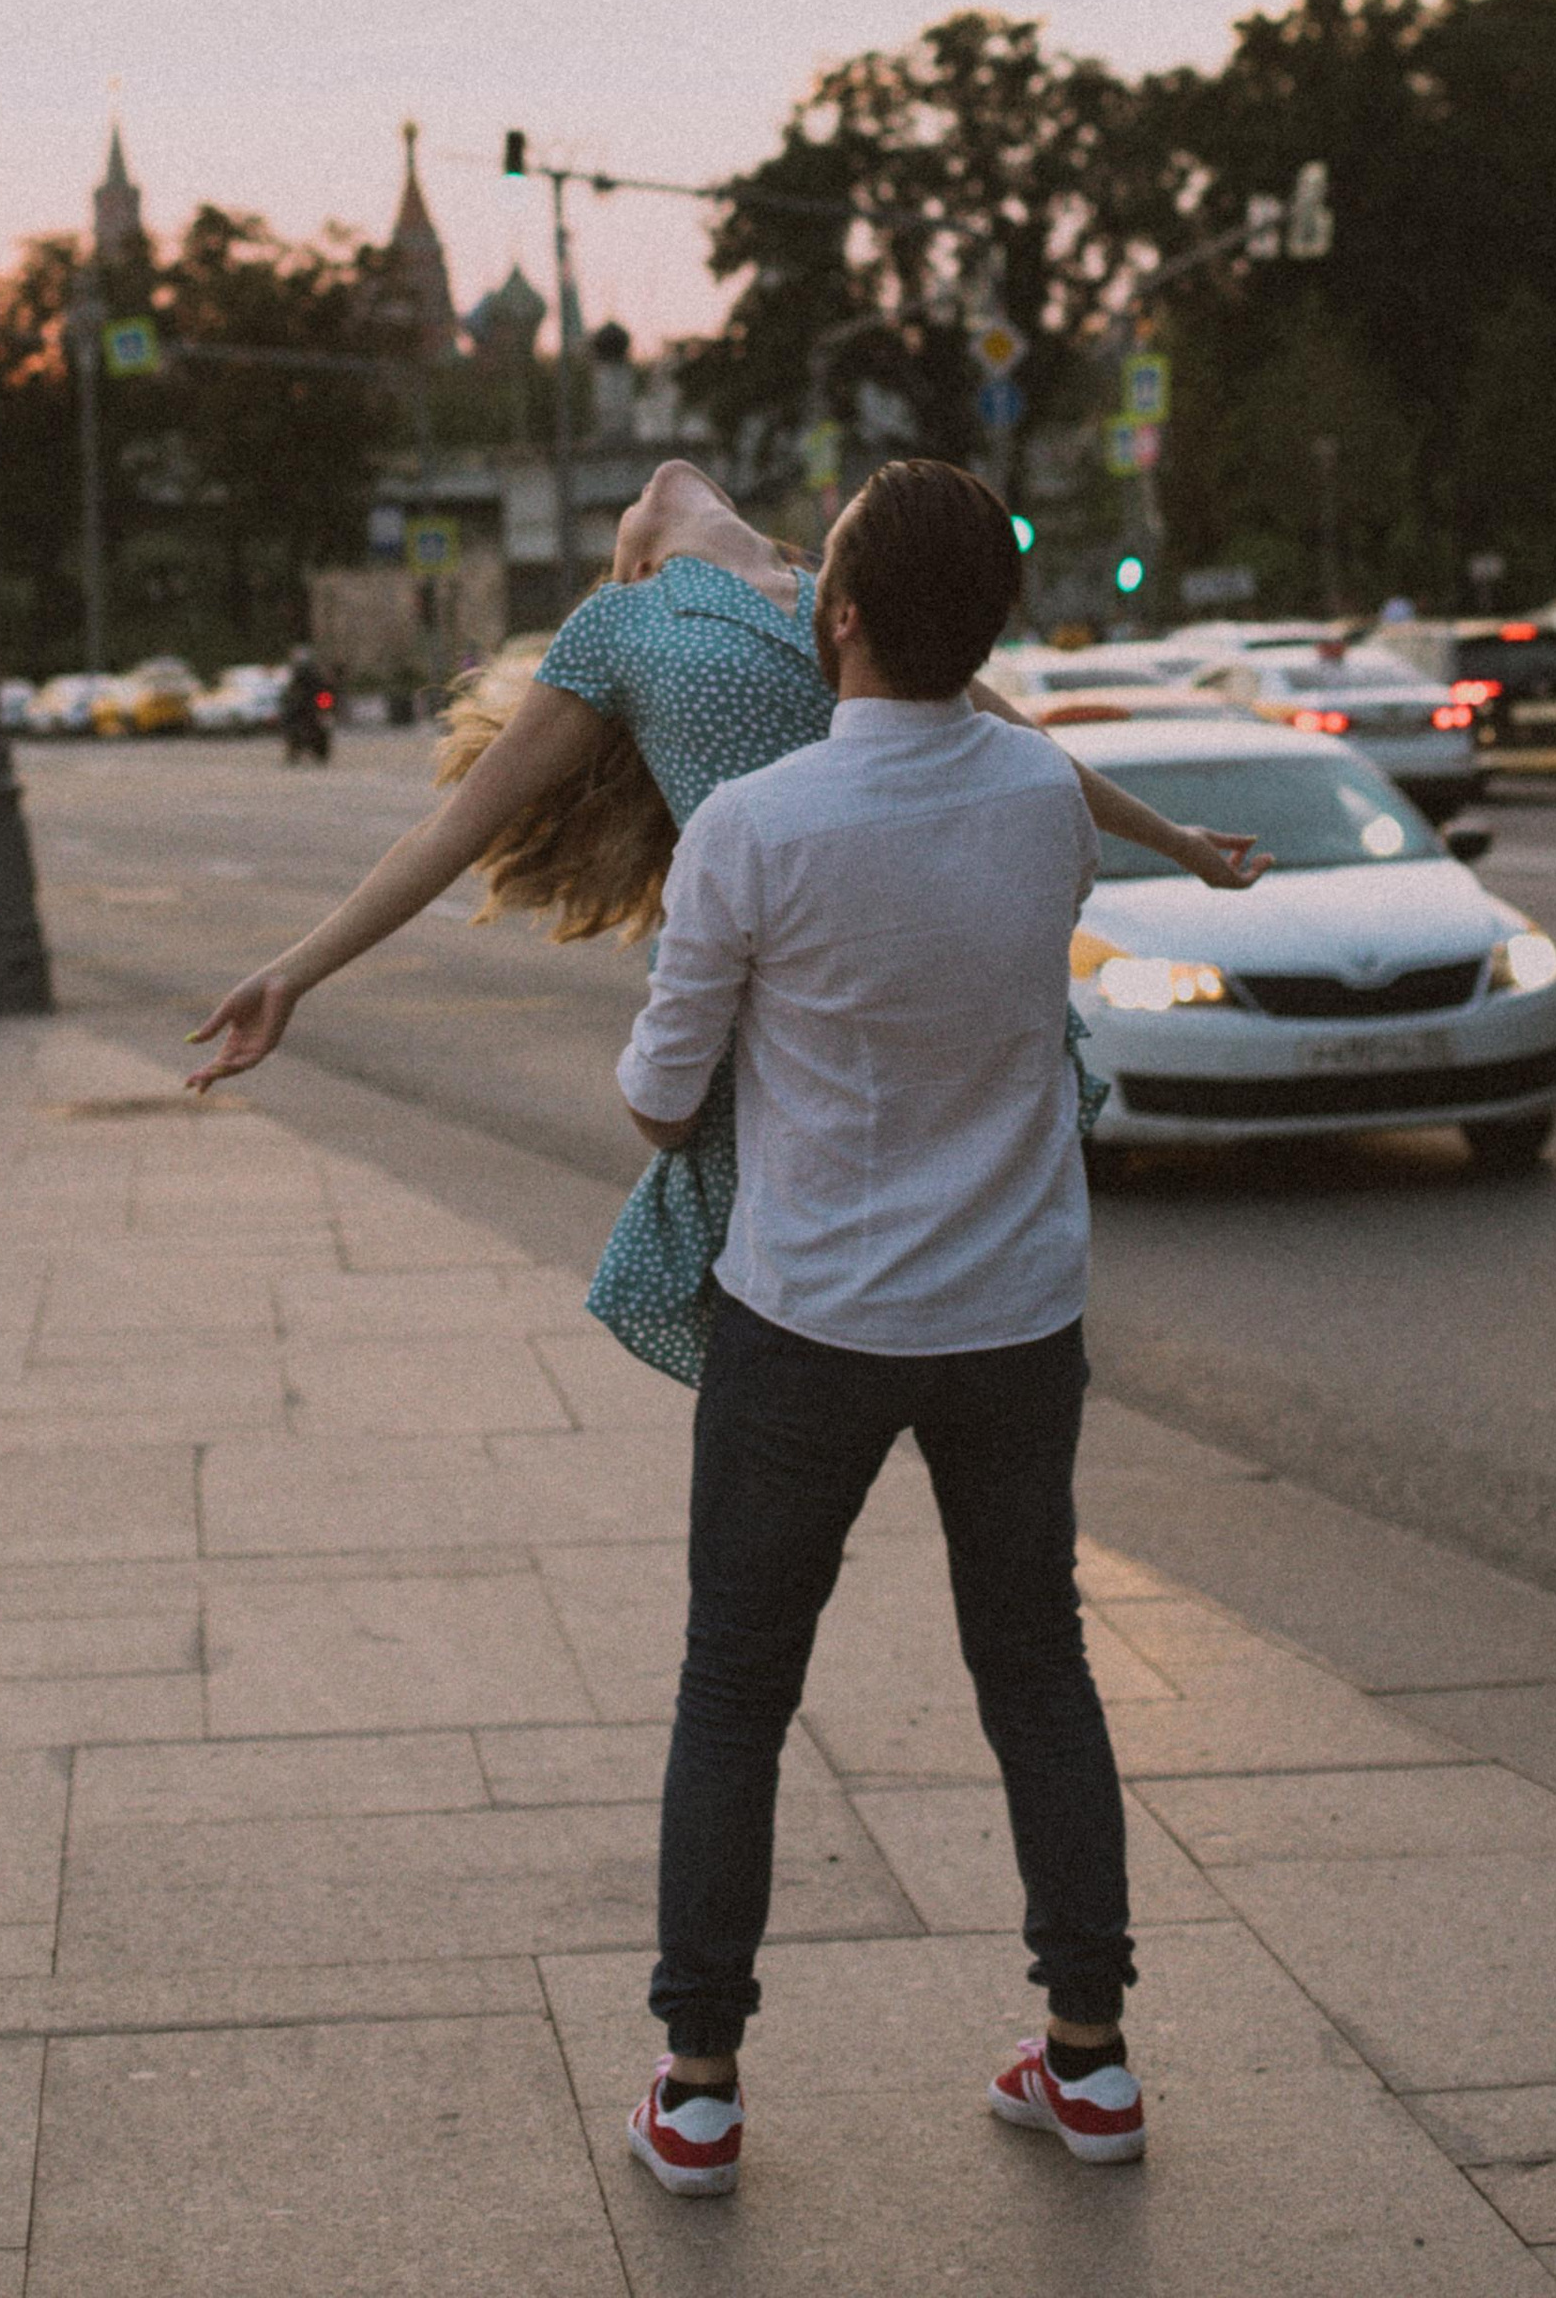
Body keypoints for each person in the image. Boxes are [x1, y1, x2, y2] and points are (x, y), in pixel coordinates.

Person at [617, 459, 1144, 2198]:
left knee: (736, 1686)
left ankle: (699, 2088)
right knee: (1039, 1670)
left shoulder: (754, 828)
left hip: (811, 1319)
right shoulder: (1049, 801)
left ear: (832, 617)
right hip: (1014, 1314)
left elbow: (656, 1095)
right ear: (987, 625)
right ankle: (1091, 2060)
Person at [186, 460, 1262, 1118]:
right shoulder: (673, 622)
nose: (659, 490)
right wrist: (292, 973)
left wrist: (1180, 845)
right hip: (792, 995)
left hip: (825, 976)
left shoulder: (819, 597)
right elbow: (457, 828)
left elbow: (1030, 752)